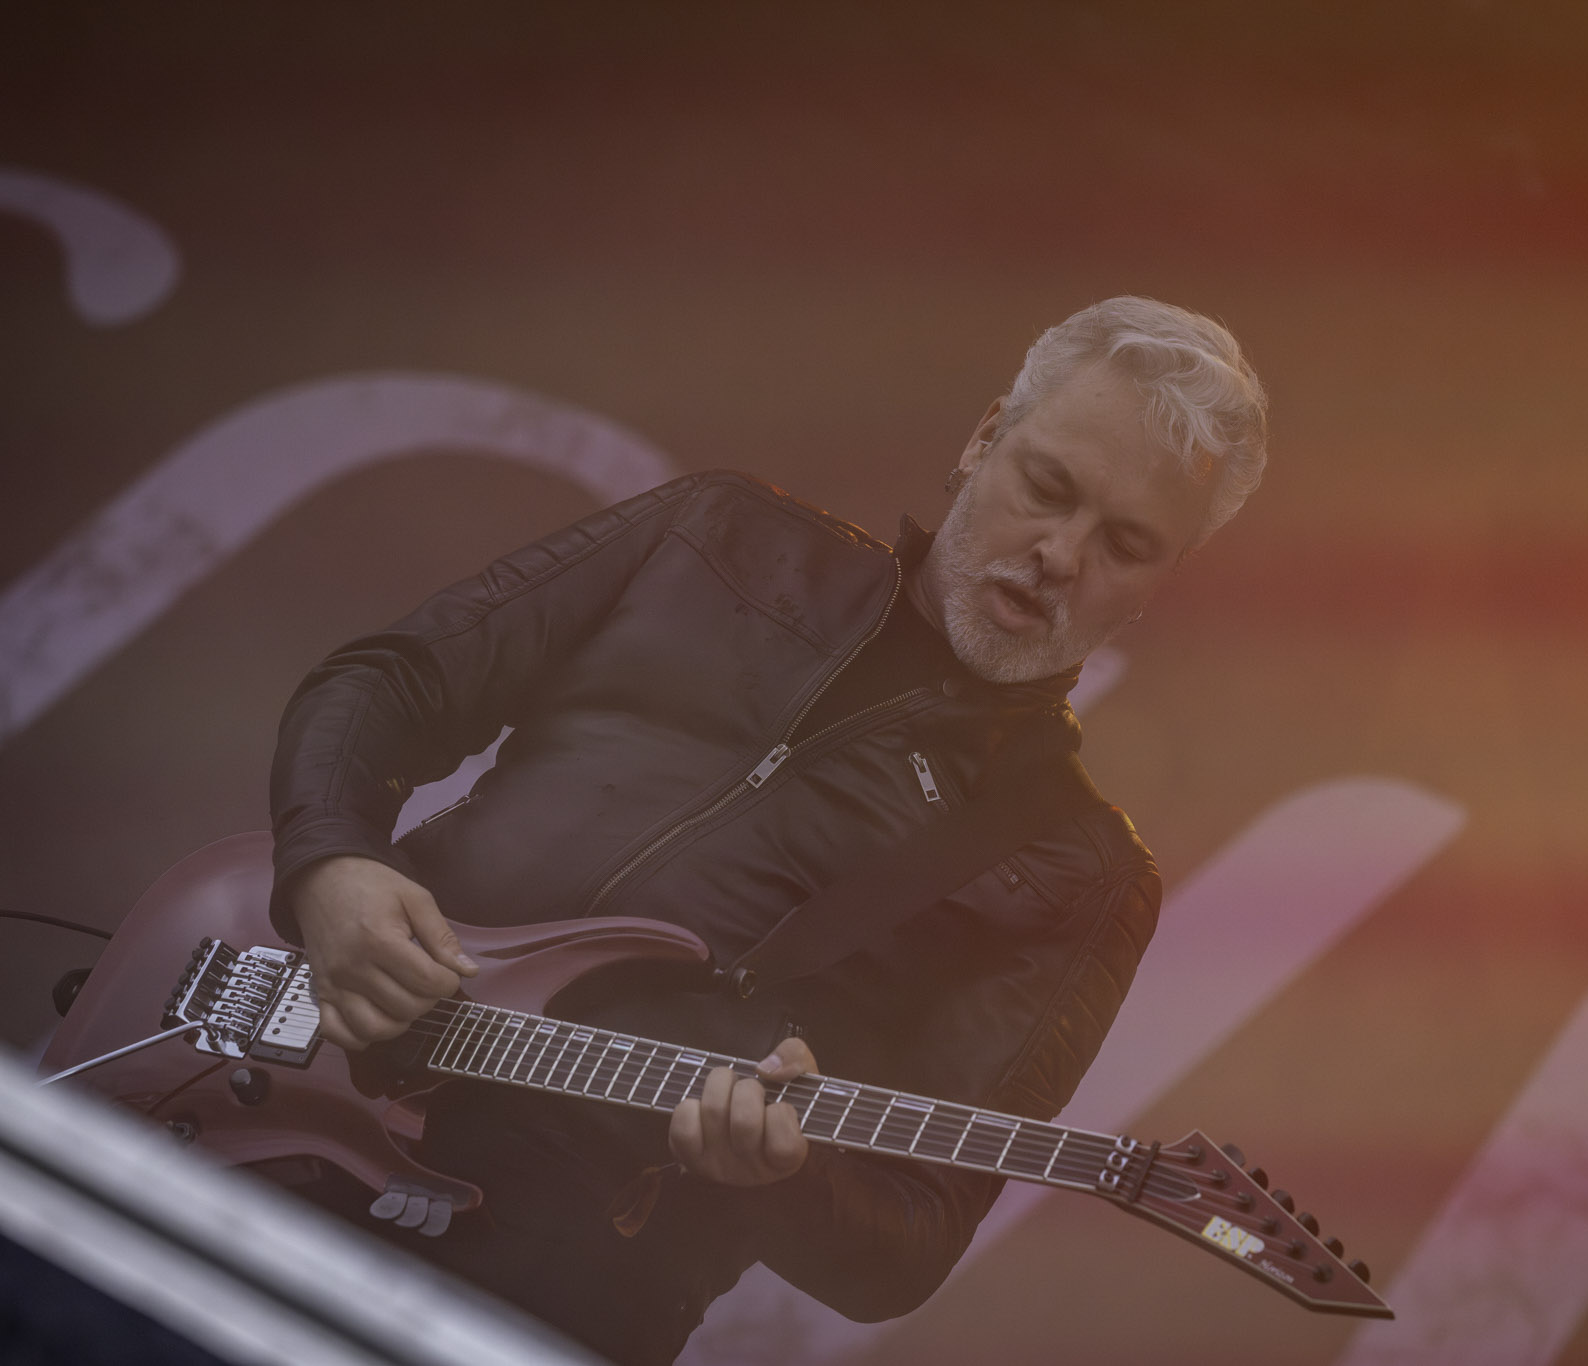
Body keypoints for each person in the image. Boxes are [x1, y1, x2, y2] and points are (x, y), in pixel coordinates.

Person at [267, 296, 1268, 1362]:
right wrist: (332, 861)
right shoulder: (718, 537)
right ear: (985, 437)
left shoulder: (1079, 872)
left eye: (1125, 543)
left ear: (1159, 584)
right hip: (287, 1083)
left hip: (541, 1289)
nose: (1060, 553)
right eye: (1048, 487)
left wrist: (788, 1179)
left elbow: (911, 1239)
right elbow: (394, 680)